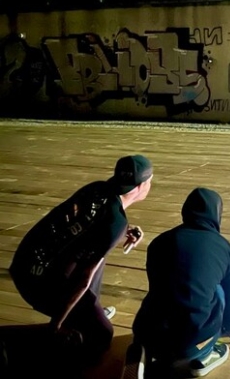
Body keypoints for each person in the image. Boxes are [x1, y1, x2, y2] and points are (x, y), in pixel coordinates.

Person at [8, 154, 153, 367]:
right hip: (40, 285)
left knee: (97, 256)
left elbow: (82, 228)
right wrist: (57, 324)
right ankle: (24, 351)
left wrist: (123, 232)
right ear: (141, 186)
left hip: (24, 265)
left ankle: (83, 313)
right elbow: (83, 280)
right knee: (102, 335)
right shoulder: (115, 223)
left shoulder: (96, 189)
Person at [127, 187, 230, 378]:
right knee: (218, 291)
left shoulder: (159, 241)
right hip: (189, 340)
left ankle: (143, 351)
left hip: (149, 329)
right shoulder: (225, 248)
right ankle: (204, 356)